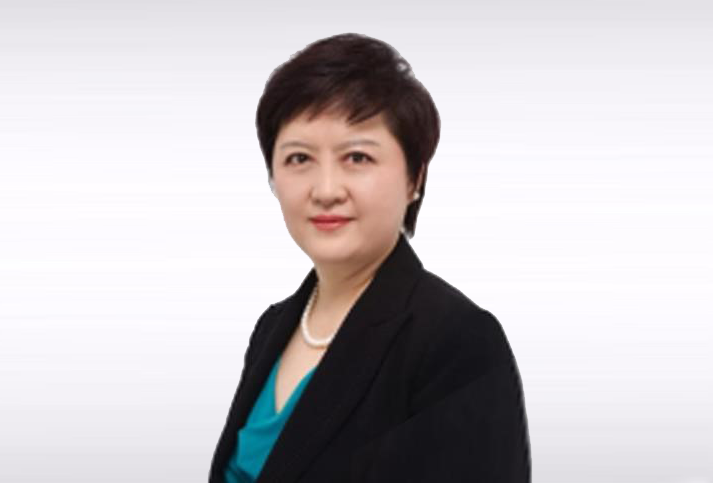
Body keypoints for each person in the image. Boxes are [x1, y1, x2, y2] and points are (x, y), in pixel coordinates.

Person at [209, 32, 531, 482]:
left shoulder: (456, 342)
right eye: (299, 158)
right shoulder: (272, 328)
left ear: (415, 178)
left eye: (357, 157)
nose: (325, 190)